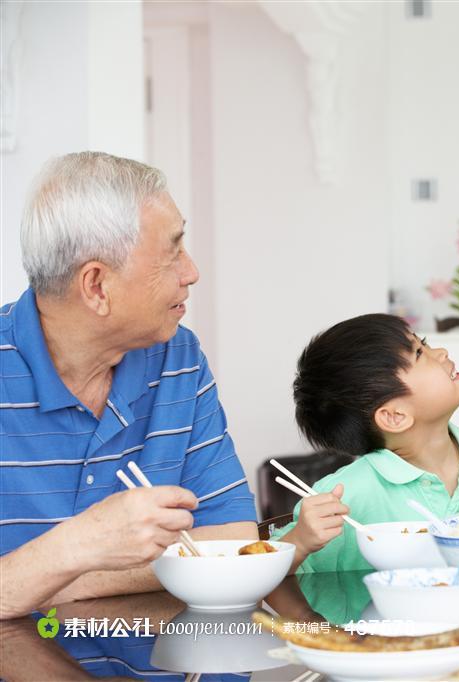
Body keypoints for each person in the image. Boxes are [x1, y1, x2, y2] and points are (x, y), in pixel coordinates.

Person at [0, 152, 258, 619]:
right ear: (97, 286)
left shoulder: (177, 358)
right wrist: (76, 544)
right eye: (173, 250)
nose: (192, 271)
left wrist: (60, 582)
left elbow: (233, 538)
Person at [272, 314, 459, 572]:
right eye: (419, 353)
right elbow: (272, 578)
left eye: (425, 343)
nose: (441, 353)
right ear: (395, 416)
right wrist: (300, 540)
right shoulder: (344, 498)